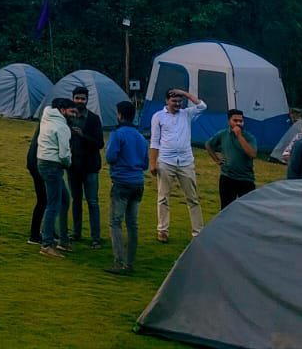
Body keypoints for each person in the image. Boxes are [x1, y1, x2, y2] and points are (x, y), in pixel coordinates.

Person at [148, 86, 206, 242]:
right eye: (174, 101)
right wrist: (152, 163)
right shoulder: (158, 116)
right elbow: (154, 141)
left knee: (193, 198)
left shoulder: (186, 114)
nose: (177, 104)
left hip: (186, 161)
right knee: (163, 198)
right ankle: (162, 230)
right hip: (166, 161)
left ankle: (198, 232)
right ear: (167, 101)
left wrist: (185, 93)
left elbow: (202, 106)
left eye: (180, 101)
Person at [103, 98, 149, 276]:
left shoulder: (118, 134)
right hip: (138, 182)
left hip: (122, 182)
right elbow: (145, 163)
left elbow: (110, 157)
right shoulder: (141, 137)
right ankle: (129, 263)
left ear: (120, 115)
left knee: (115, 222)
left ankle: (119, 261)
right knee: (132, 224)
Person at [36, 96, 75, 258]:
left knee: (64, 200)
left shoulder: (47, 117)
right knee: (53, 204)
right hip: (53, 165)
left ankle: (62, 239)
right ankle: (47, 243)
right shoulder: (62, 127)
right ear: (63, 110)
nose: (74, 115)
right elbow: (64, 154)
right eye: (71, 111)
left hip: (42, 161)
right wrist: (68, 164)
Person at [67, 84, 105, 247]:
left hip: (90, 167)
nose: (80, 101)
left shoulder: (94, 119)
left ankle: (95, 237)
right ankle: (76, 233)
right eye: (77, 98)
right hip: (73, 166)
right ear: (73, 99)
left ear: (87, 100)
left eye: (83, 99)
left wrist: (83, 136)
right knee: (76, 201)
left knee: (92, 202)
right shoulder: (68, 118)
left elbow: (100, 143)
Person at [205, 108, 258, 208]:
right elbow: (208, 144)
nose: (238, 123)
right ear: (229, 121)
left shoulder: (249, 137)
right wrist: (217, 160)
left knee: (248, 209)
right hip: (227, 177)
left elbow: (252, 154)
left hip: (246, 179)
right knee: (226, 208)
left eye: (241, 121)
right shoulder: (223, 134)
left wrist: (239, 136)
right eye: (235, 120)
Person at [25, 120, 47, 245]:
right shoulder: (51, 124)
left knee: (45, 200)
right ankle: (35, 235)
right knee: (44, 200)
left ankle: (43, 230)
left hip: (35, 164)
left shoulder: (45, 121)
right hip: (40, 165)